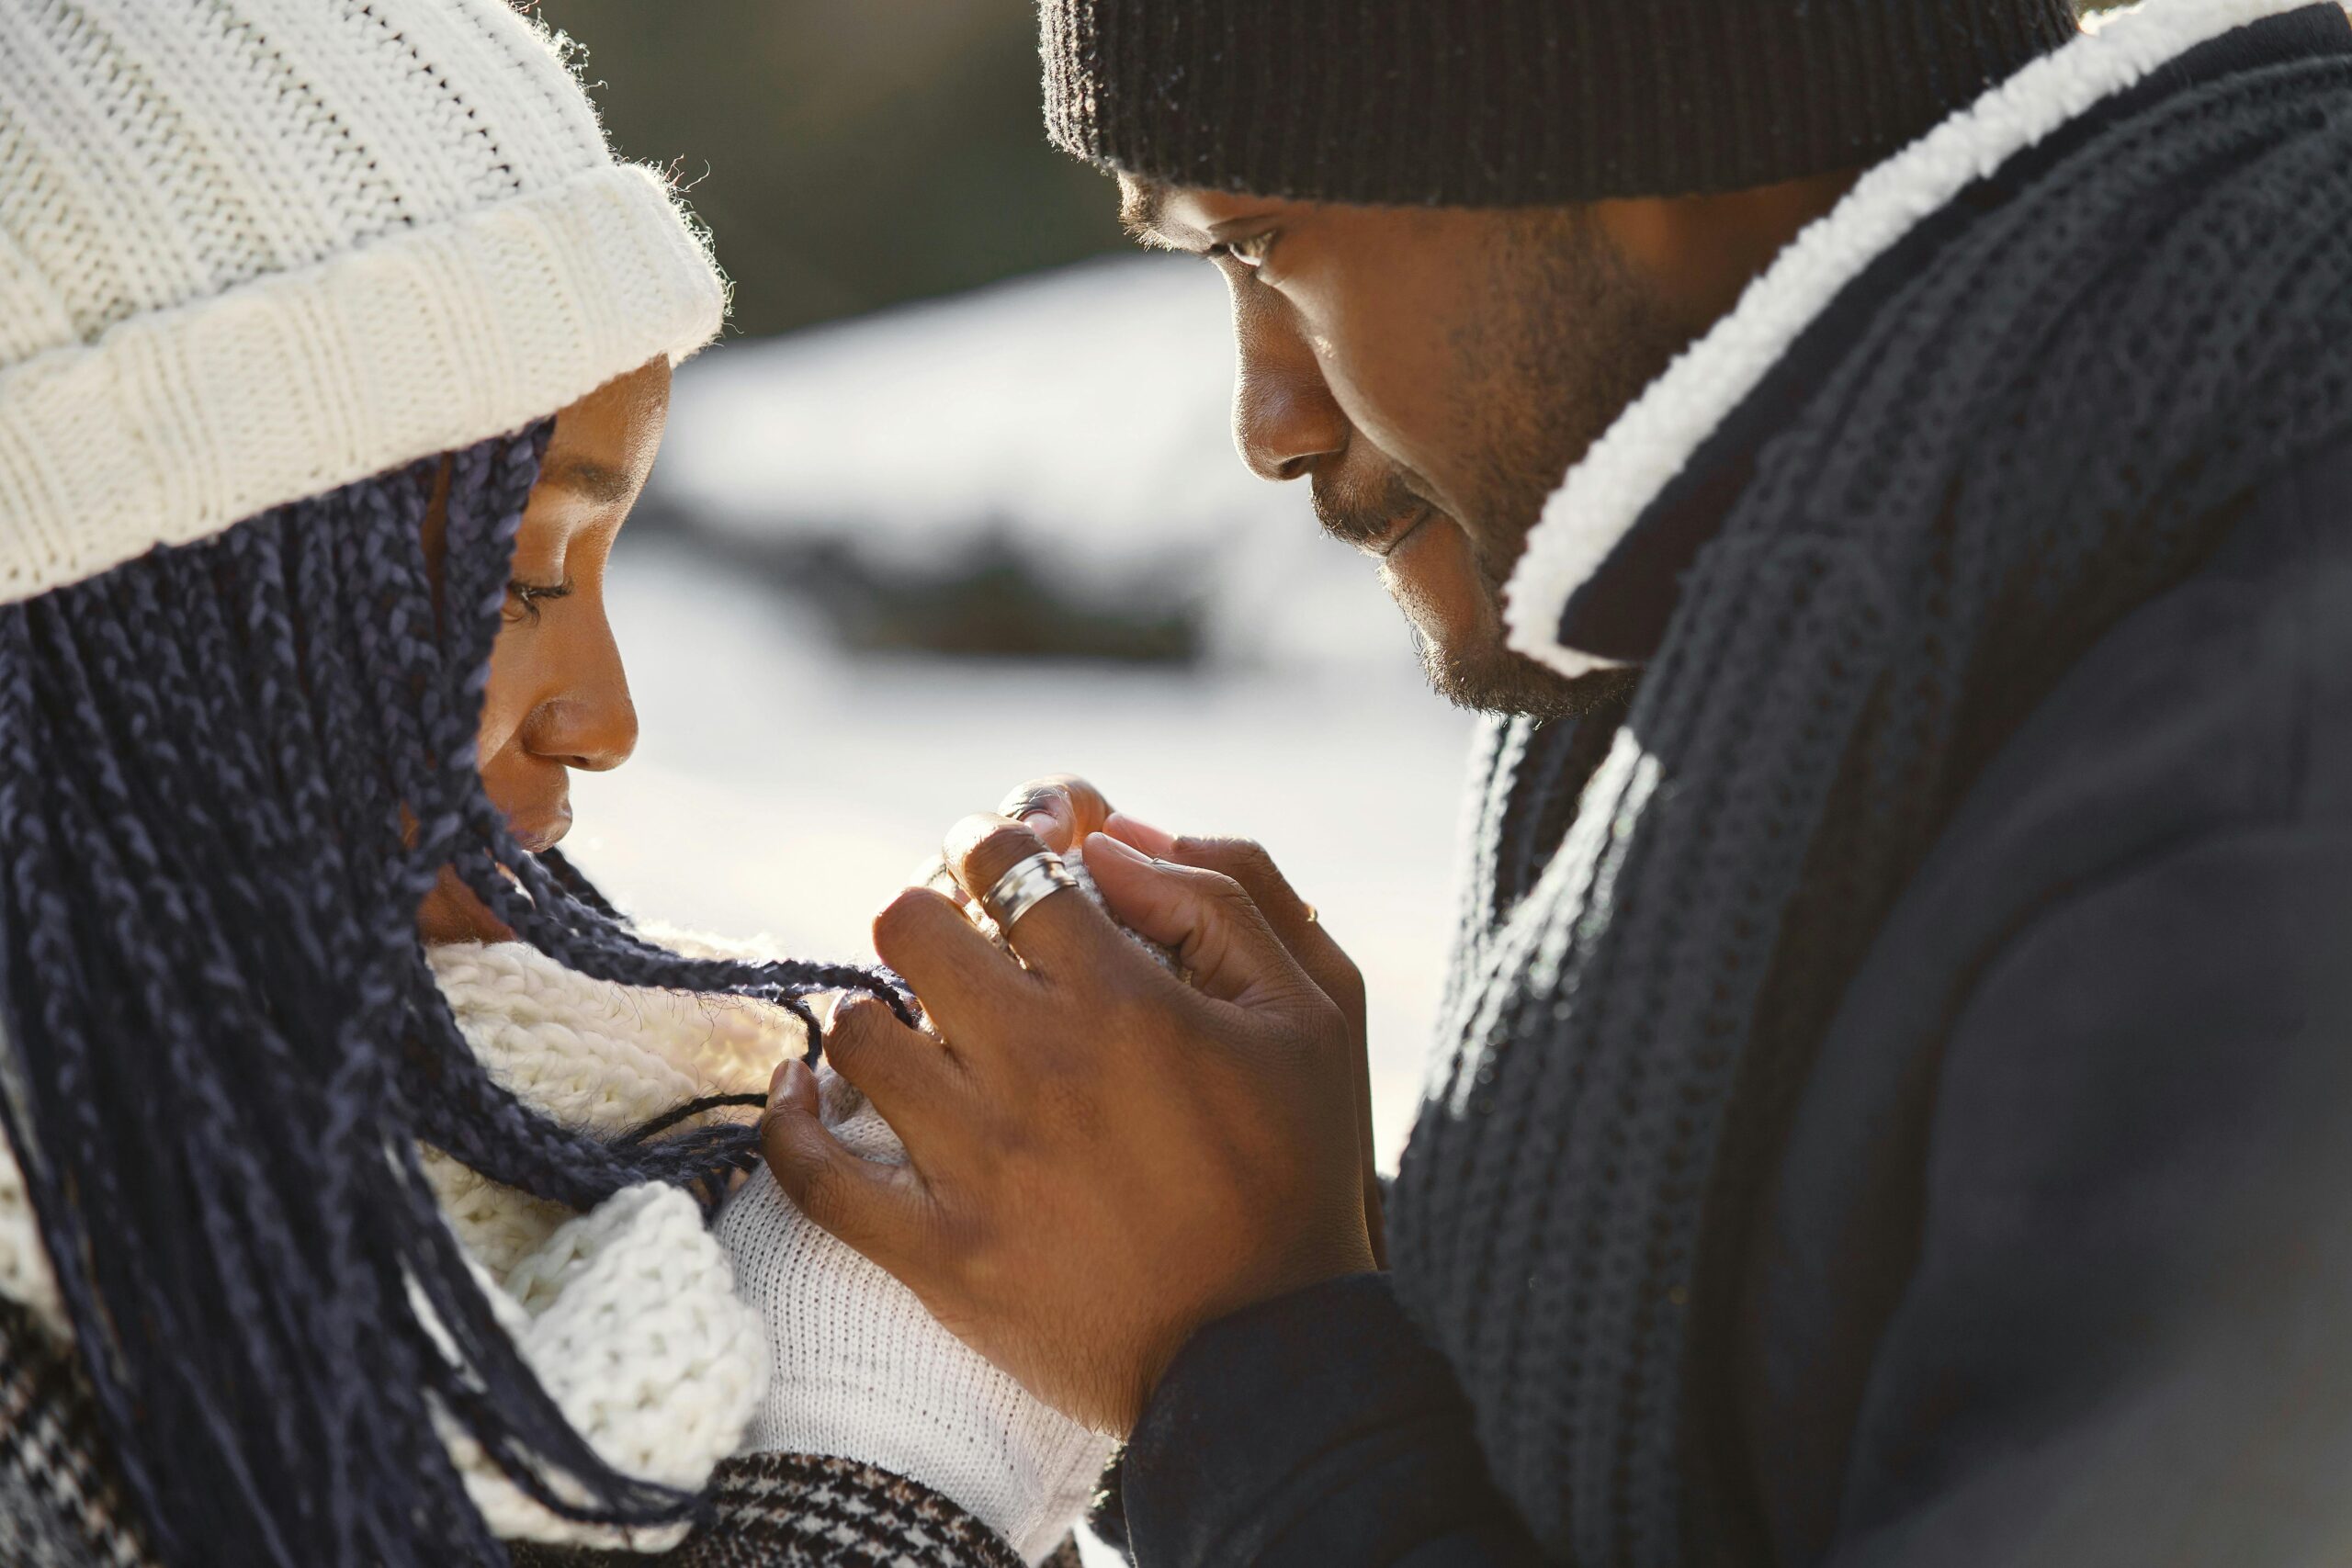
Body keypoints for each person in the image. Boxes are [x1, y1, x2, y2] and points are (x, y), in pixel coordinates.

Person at [756, 0, 2352, 1562]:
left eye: (1262, 244)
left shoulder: (2260, 824)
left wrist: (1245, 1366)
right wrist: (1317, 1255)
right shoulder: (1911, 599)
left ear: (1634, 112)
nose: (1270, 423)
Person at [0, 3, 1106, 1564]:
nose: (605, 719)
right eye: (517, 585)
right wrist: (888, 1435)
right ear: (116, 616)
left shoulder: (502, 1137)